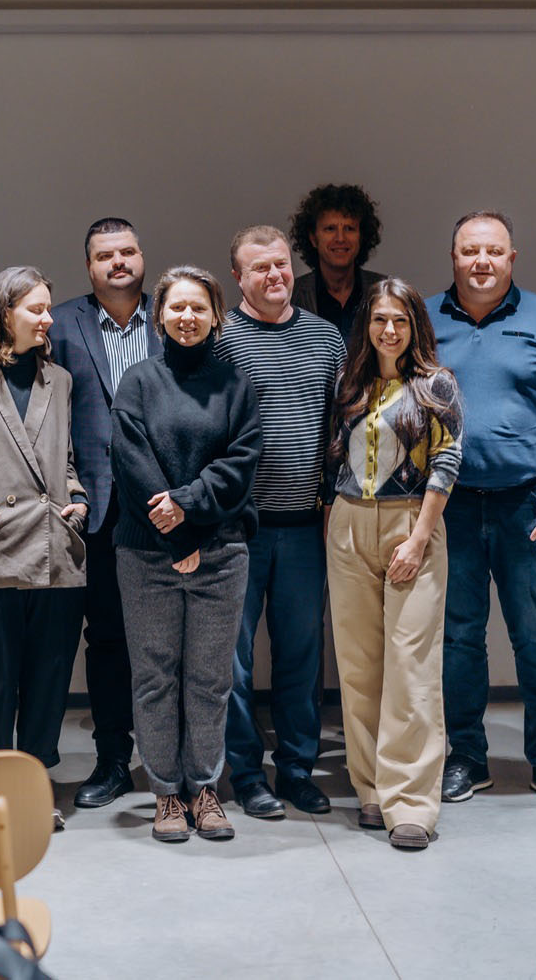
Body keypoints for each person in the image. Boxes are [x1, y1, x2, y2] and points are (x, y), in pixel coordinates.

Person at [426, 211, 536, 811]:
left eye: (493, 251)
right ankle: (466, 756)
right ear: (453, 257)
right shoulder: (423, 318)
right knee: (458, 637)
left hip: (529, 503)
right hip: (449, 506)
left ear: (512, 258)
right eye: (470, 251)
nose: (482, 262)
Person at [112, 266, 262, 844]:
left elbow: (241, 463)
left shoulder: (235, 385)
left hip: (220, 553)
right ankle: (166, 794)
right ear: (159, 316)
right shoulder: (137, 383)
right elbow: (131, 462)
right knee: (154, 678)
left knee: (209, 679)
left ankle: (204, 788)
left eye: (199, 307)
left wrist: (190, 514)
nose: (187, 317)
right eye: (176, 307)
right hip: (148, 555)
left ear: (215, 315)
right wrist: (178, 535)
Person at [323, 279, 463, 851]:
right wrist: (333, 524)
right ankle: (371, 789)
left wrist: (420, 536)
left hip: (412, 525)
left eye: (400, 320)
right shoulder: (348, 381)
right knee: (358, 667)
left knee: (411, 666)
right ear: (367, 325)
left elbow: (448, 459)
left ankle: (411, 803)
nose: (389, 330)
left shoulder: (436, 384)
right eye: (380, 319)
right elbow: (332, 456)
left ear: (415, 327)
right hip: (348, 523)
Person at [214, 226, 345, 820]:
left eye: (282, 264)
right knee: (234, 662)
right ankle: (246, 775)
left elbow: (340, 430)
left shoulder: (325, 338)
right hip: (237, 529)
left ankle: (296, 770)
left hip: (304, 528)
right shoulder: (221, 340)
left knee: (301, 657)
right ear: (238, 277)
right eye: (259, 267)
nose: (274, 275)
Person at [0, 267, 88, 808]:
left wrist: (78, 498)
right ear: (5, 313)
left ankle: (32, 788)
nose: (48, 318)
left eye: (48, 308)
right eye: (37, 309)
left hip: (55, 546)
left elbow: (66, 456)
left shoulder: (61, 380)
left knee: (49, 679)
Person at [49, 218, 161, 811]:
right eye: (104, 256)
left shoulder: (175, 315)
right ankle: (114, 759)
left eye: (127, 252)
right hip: (94, 506)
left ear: (142, 257)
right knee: (109, 639)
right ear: (89, 266)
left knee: (170, 639)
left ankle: (176, 765)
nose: (118, 262)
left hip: (166, 504)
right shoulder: (60, 323)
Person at [288, 183, 386, 344]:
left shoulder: (386, 291)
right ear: (313, 238)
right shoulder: (291, 297)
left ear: (361, 237)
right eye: (330, 229)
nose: (340, 238)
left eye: (349, 228)